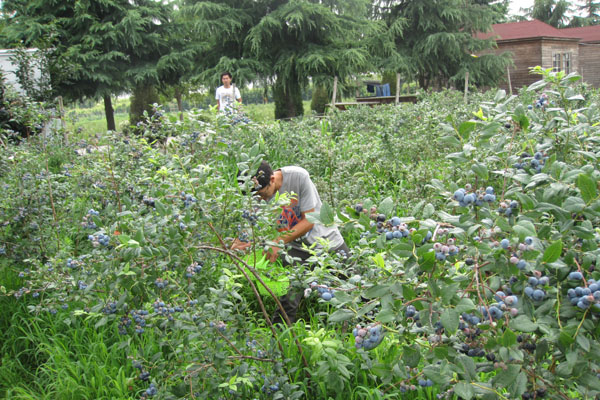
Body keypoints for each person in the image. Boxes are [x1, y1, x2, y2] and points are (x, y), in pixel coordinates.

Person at [233, 161, 350, 324]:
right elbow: (249, 228)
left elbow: (310, 220)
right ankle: (279, 343)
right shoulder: (255, 195)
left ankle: (374, 326)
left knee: (352, 283)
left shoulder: (298, 177)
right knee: (287, 302)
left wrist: (277, 242)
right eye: (255, 196)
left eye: (262, 194)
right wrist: (239, 244)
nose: (260, 199)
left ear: (272, 179)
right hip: (294, 249)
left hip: (326, 240)